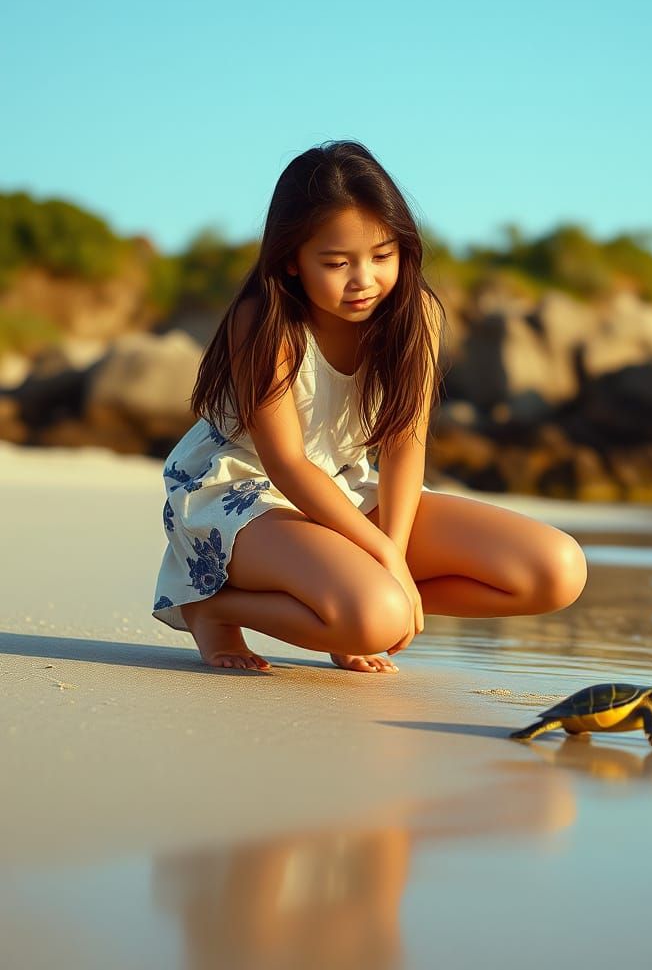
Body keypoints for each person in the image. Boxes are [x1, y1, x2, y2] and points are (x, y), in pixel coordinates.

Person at [152, 140, 588, 673]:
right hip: (241, 496)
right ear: (291, 261)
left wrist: (394, 558)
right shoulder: (265, 324)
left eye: (383, 256)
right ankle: (209, 606)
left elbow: (405, 448)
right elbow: (287, 464)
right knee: (377, 616)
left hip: (343, 487)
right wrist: (383, 564)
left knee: (556, 570)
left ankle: (347, 601)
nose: (364, 281)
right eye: (337, 263)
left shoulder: (416, 315)